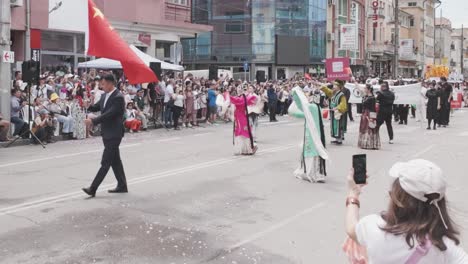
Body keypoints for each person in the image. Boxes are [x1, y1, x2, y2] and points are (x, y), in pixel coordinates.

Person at [345, 159, 468, 263]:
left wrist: (353, 193)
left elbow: (351, 228)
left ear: (397, 199)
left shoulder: (373, 227)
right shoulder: (444, 246)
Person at [82, 74, 128, 197]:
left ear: (111, 83)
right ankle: (122, 185)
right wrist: (88, 105)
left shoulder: (118, 97)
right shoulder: (104, 95)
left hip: (114, 133)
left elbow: (109, 114)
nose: (102, 86)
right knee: (115, 161)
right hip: (106, 132)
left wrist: (93, 121)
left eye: (104, 84)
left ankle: (93, 188)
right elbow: (97, 107)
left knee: (106, 161)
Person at [288, 87, 329, 183]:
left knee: (310, 151)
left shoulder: (311, 107)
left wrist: (295, 93)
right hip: (318, 134)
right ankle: (318, 173)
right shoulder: (317, 107)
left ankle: (310, 173)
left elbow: (297, 111)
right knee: (316, 151)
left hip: (311, 134)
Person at [320, 80, 348, 145]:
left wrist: (337, 108)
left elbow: (343, 104)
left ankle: (339, 139)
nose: (333, 86)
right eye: (334, 85)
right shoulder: (333, 93)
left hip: (338, 112)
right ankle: (336, 139)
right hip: (333, 111)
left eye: (335, 85)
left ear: (339, 87)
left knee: (338, 125)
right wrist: (322, 85)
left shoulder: (342, 95)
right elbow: (327, 91)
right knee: (334, 126)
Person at [230, 91, 258, 155]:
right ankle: (247, 149)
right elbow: (254, 98)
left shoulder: (240, 99)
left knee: (243, 133)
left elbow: (232, 99)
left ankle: (251, 147)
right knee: (244, 132)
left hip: (240, 117)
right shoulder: (244, 99)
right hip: (241, 117)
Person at [356, 84, 380, 150]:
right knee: (364, 128)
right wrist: (354, 82)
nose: (364, 89)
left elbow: (373, 108)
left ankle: (370, 143)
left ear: (369, 89)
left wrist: (372, 118)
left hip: (369, 113)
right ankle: (364, 143)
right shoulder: (366, 96)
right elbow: (359, 89)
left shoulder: (372, 98)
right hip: (364, 113)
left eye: (365, 88)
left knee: (369, 128)